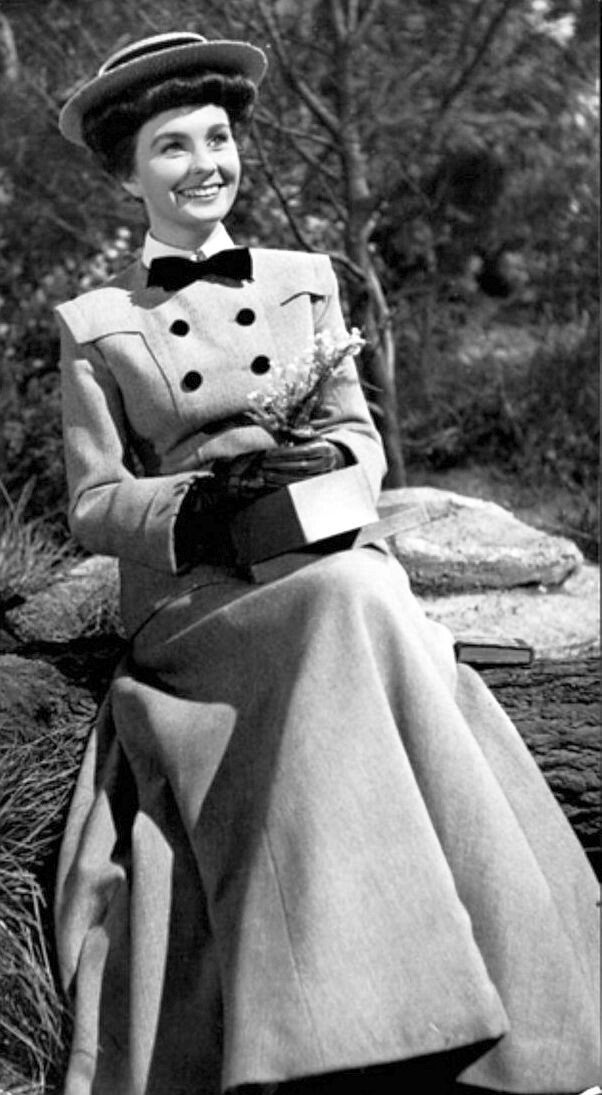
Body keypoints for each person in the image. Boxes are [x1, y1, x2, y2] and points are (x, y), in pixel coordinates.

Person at [53, 31, 599, 1095]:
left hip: (318, 543)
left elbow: (360, 437)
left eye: (218, 138)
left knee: (359, 587)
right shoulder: (94, 323)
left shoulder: (307, 281)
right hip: (200, 596)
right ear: (129, 176)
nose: (205, 164)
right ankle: (360, 1031)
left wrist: (319, 465)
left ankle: (470, 1016)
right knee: (358, 599)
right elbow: (90, 503)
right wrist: (198, 508)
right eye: (173, 147)